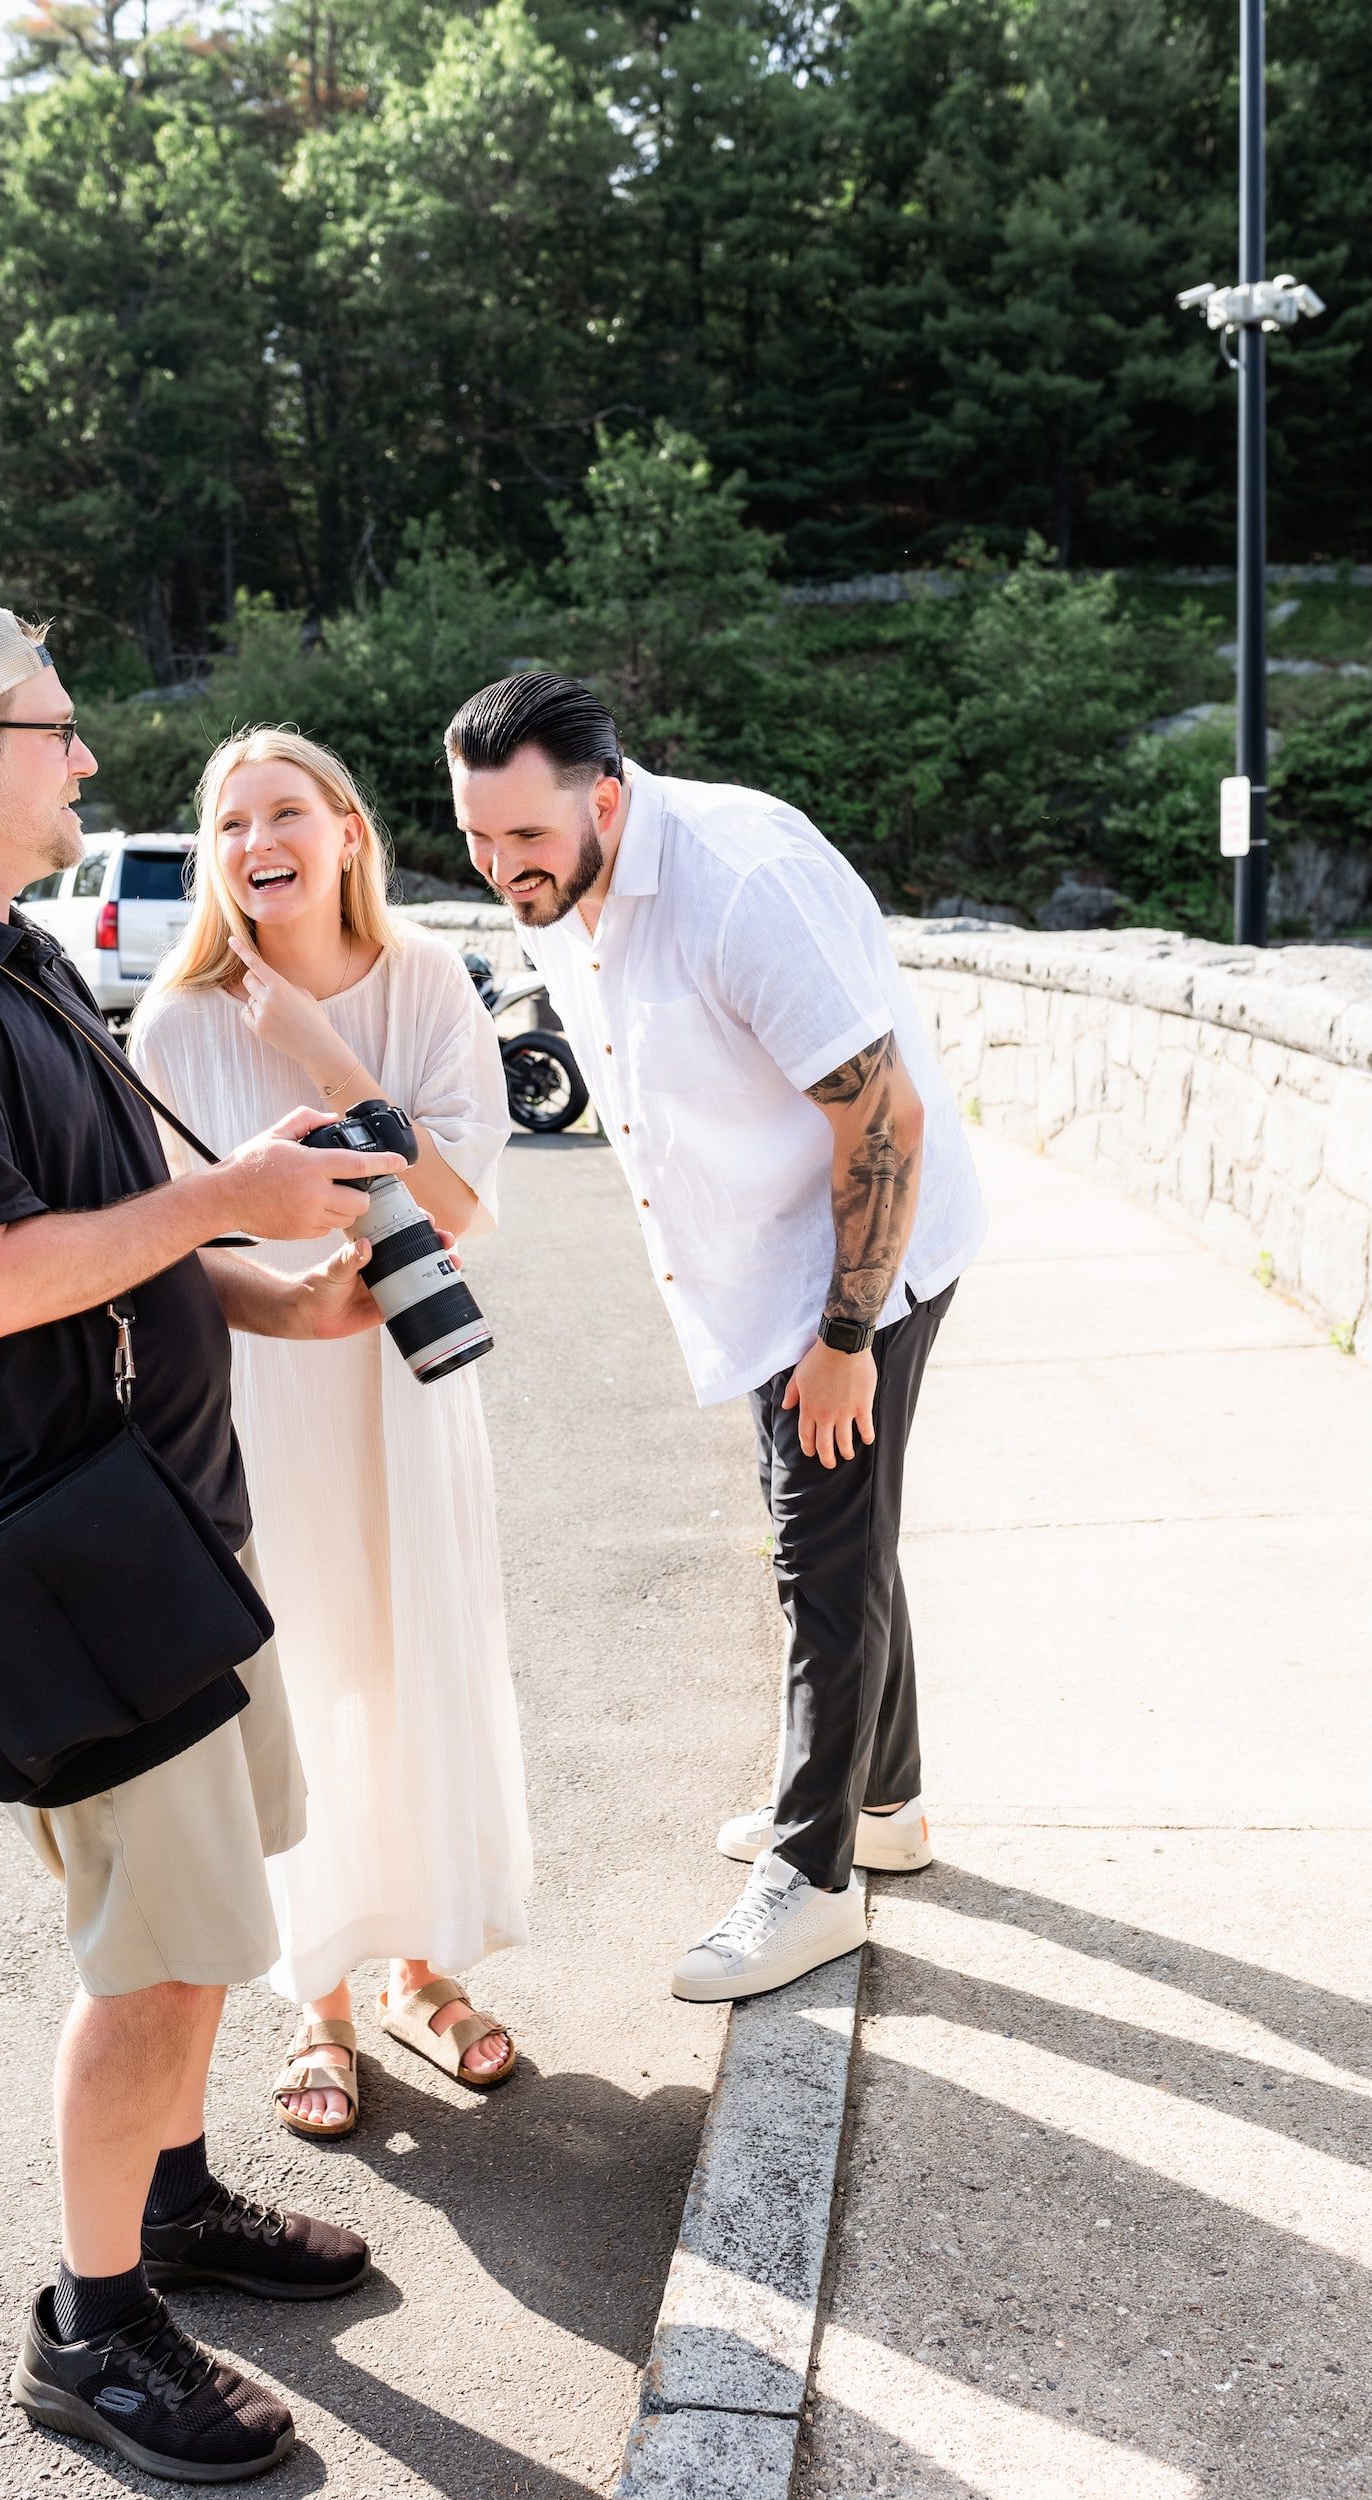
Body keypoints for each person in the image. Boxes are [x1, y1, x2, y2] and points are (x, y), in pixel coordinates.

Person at [0, 601, 418, 2484]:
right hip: (61, 1561)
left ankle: (168, 2200)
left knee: (208, 1919)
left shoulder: (14, 954)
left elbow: (115, 1236)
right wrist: (234, 1190)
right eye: (54, 729)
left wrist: (268, 1290)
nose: (86, 757)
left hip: (160, 1528)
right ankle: (92, 2327)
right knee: (150, 1962)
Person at [446, 673, 986, 2004]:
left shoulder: (740, 889)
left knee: (820, 1547)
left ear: (608, 799)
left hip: (858, 1266)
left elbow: (888, 1125)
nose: (500, 866)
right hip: (759, 1275)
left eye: (525, 838)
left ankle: (812, 1880)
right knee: (846, 1529)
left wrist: (844, 1338)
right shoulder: (571, 887)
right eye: (475, 837)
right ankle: (888, 1807)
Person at [131, 728, 531, 2139]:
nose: (255, 843)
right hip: (262, 1385)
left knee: (411, 1654)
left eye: (284, 811)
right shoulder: (172, 1025)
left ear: (348, 831)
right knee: (302, 1675)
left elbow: (463, 1205)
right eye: (228, 822)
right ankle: (322, 1998)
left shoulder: (424, 982)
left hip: (408, 1387)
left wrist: (312, 1044)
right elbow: (156, 1248)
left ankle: (423, 1968)